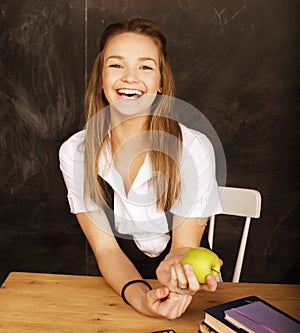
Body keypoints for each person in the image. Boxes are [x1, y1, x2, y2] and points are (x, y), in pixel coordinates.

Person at [59, 18, 223, 319]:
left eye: (145, 67)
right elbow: (107, 251)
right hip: (118, 284)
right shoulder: (76, 153)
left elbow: (184, 246)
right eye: (116, 65)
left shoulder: (193, 148)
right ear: (100, 78)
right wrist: (140, 298)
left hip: (187, 288)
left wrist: (175, 271)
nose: (130, 77)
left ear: (161, 81)